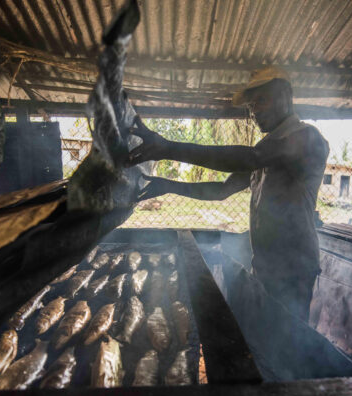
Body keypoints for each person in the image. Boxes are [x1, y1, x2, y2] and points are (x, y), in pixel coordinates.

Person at [128, 66, 329, 322]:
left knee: (287, 340)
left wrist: (168, 148)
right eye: (251, 105)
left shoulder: (306, 138)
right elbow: (222, 190)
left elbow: (251, 158)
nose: (254, 111)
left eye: (261, 100)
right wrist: (168, 185)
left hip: (294, 267)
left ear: (285, 96)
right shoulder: (267, 149)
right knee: (268, 335)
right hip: (266, 264)